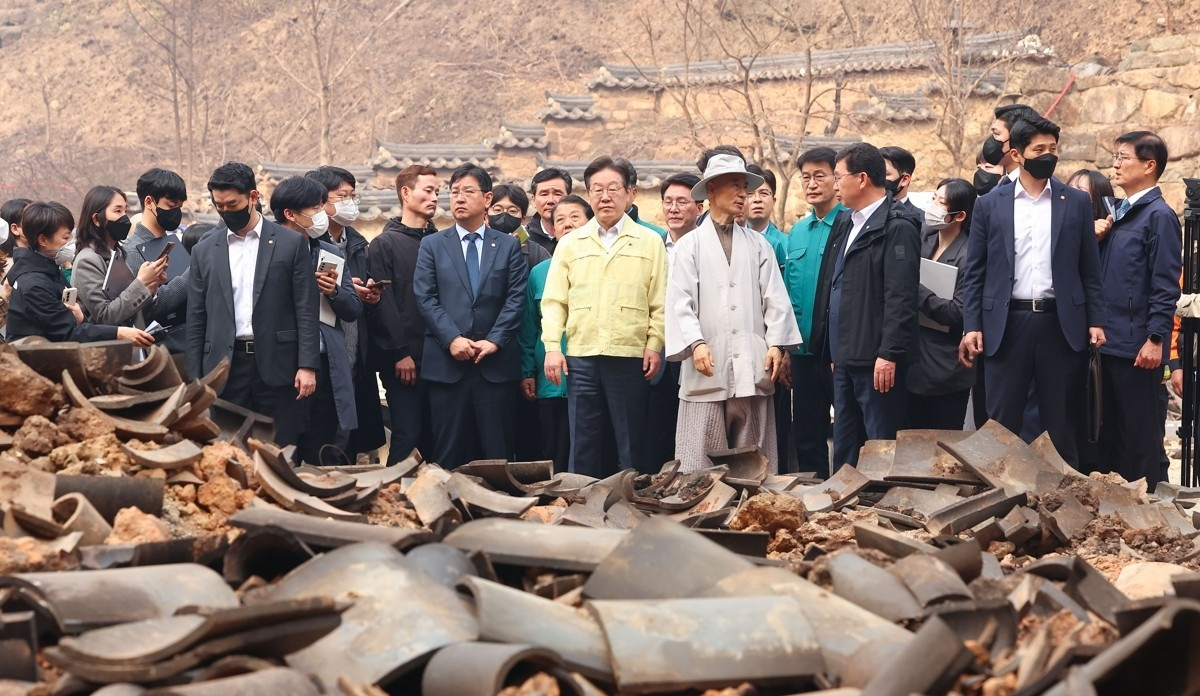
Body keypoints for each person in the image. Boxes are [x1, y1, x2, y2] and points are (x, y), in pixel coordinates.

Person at [959, 117, 1106, 466]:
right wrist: (972, 325)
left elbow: (1089, 269)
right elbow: (975, 272)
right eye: (1039, 149)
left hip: (1060, 324)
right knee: (1001, 422)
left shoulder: (1076, 202)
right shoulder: (990, 203)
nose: (1048, 155)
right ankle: (1002, 501)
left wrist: (1096, 320)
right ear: (1016, 154)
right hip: (1006, 324)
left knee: (1060, 421)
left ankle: (1063, 503)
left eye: (1053, 149)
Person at [666, 154, 802, 473]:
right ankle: (698, 515)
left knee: (755, 461)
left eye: (745, 186)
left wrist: (776, 345)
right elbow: (679, 302)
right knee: (698, 461)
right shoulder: (689, 247)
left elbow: (775, 299)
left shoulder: (758, 245)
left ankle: (754, 515)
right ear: (711, 190)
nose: (743, 194)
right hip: (707, 366)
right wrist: (696, 343)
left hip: (752, 366)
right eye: (735, 186)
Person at [542, 156, 666, 477]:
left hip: (629, 355)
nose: (604, 196)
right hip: (581, 356)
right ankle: (580, 509)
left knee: (631, 442)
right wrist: (553, 347)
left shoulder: (650, 242)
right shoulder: (571, 243)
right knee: (582, 441)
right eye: (596, 189)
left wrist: (654, 343)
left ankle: (633, 508)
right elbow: (555, 301)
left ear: (631, 193)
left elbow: (660, 300)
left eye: (613, 188)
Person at [186, 161, 320, 447]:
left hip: (277, 364)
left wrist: (307, 365)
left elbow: (306, 308)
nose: (225, 212)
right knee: (227, 450)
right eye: (218, 206)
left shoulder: (290, 243)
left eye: (232, 204)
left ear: (253, 197)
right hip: (224, 368)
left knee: (279, 450)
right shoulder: (204, 251)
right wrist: (195, 378)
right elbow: (197, 318)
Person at [810, 143, 920, 468]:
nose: (834, 184)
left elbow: (901, 297)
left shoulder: (897, 225)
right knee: (844, 443)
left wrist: (889, 353)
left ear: (860, 179)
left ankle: (884, 513)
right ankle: (842, 508)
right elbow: (834, 282)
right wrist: (831, 350)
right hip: (844, 356)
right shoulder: (846, 222)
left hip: (876, 360)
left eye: (838, 177)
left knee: (880, 444)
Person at [414, 164, 527, 468]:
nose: (459, 198)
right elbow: (425, 297)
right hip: (448, 364)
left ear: (487, 198)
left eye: (468, 191)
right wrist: (451, 338)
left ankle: (499, 510)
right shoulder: (433, 245)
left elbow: (516, 298)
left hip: (495, 364)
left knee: (497, 452)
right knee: (448, 451)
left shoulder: (508, 246)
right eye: (454, 192)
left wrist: (495, 340)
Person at [1092, 131, 1181, 487]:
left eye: (1123, 157)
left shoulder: (1158, 216)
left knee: (1137, 435)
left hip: (1138, 346)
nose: (1115, 164)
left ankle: (1142, 513)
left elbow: (1165, 283)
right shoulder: (1119, 214)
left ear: (1149, 165)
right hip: (1107, 340)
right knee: (1109, 432)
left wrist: (1156, 338)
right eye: (1115, 156)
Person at [271, 176, 362, 465]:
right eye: (315, 207)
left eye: (323, 205)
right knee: (284, 450)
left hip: (326, 363)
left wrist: (333, 291)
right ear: (290, 214)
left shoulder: (328, 252)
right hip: (284, 363)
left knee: (325, 449)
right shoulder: (266, 253)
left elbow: (352, 308)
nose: (323, 214)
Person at [305, 165, 385, 459]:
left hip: (354, 351)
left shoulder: (358, 245)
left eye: (353, 195)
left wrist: (365, 295)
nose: (349, 203)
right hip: (321, 355)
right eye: (342, 196)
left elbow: (352, 304)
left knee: (347, 443)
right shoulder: (308, 246)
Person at [368, 165, 439, 465]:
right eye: (428, 190)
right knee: (407, 435)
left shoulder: (440, 243)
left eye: (437, 191)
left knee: (437, 436)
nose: (435, 197)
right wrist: (399, 353)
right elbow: (383, 306)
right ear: (406, 193)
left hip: (441, 359)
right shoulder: (385, 244)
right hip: (404, 361)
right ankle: (392, 498)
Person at [7, 201, 154, 346]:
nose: (69, 243)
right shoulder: (33, 283)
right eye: (65, 238)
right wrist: (118, 333)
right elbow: (66, 333)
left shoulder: (47, 269)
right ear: (43, 240)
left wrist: (81, 318)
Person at [521, 195, 594, 470]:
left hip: (590, 373)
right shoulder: (539, 273)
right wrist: (527, 371)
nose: (567, 224)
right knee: (553, 448)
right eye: (560, 220)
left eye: (575, 217)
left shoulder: (602, 267)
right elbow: (528, 327)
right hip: (550, 376)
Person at [784, 147, 844, 477]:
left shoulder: (849, 226)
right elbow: (789, 295)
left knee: (849, 435)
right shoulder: (797, 233)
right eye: (805, 177)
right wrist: (786, 350)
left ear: (838, 179)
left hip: (838, 353)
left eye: (819, 175)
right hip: (803, 353)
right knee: (807, 435)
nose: (811, 183)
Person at [906, 178, 977, 429]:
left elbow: (956, 312)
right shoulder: (925, 237)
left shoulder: (969, 254)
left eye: (941, 202)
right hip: (914, 359)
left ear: (959, 215)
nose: (933, 205)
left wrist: (912, 288)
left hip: (945, 365)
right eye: (934, 198)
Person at [646, 172, 703, 469]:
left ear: (700, 208)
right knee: (656, 426)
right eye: (668, 202)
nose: (674, 208)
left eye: (682, 201)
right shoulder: (651, 246)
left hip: (697, 351)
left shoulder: (707, 247)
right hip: (658, 351)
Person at [743, 163, 792, 470]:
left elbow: (787, 299)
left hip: (771, 345)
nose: (757, 199)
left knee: (774, 418)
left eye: (764, 193)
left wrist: (785, 348)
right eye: (750, 193)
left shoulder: (785, 244)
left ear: (774, 199)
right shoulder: (732, 241)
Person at [71, 186, 168, 329]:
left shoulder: (119, 254)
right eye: (117, 211)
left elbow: (128, 308)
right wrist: (141, 282)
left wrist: (150, 287)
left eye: (125, 211)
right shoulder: (87, 260)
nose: (124, 217)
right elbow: (105, 316)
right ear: (97, 219)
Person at [125, 168, 190, 353]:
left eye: (180, 206)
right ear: (149, 202)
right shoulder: (131, 251)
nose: (177, 212)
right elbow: (147, 308)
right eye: (171, 205)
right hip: (165, 351)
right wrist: (195, 273)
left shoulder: (173, 243)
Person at [525, 168, 573, 256]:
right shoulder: (524, 239)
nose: (550, 200)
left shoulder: (580, 235)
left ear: (569, 199)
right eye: (544, 194)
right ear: (533, 200)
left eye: (557, 194)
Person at [1065, 169, 1117, 241]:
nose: (1071, 192)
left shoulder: (1106, 233)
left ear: (1096, 199)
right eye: (1069, 187)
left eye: (1080, 190)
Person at [879, 146, 923, 219]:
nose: (877, 178)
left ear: (905, 179)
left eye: (885, 174)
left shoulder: (920, 221)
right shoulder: (859, 213)